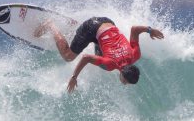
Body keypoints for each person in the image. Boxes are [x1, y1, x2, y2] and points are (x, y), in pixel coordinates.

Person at [35, 17, 164, 93]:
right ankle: (50, 25)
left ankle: (75, 28)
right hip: (91, 28)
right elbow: (86, 58)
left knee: (100, 54)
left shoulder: (135, 54)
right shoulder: (111, 64)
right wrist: (74, 77)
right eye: (125, 82)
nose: (124, 84)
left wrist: (150, 30)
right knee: (68, 56)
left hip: (107, 22)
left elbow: (134, 29)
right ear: (123, 75)